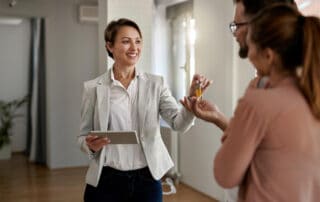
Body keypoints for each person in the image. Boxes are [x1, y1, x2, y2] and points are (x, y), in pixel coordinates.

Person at [187, 3, 320, 201]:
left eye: (238, 25)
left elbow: (224, 174)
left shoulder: (258, 98)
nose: (235, 33)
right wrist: (219, 118)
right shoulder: (310, 89)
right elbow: (267, 144)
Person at [78, 18, 211, 202]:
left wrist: (191, 104)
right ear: (110, 46)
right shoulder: (93, 88)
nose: (134, 47)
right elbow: (82, 136)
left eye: (138, 41)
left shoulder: (156, 84)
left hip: (147, 180)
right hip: (107, 180)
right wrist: (90, 146)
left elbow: (178, 123)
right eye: (126, 41)